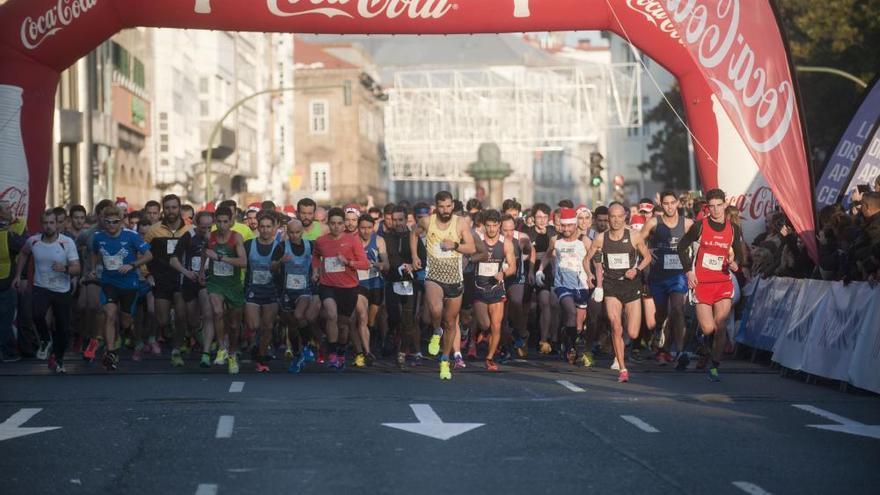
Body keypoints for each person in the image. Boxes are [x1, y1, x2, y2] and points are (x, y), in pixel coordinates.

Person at [676, 188, 745, 382]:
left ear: (724, 205)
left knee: (720, 325)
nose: (715, 210)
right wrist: (689, 271)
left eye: (718, 206)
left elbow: (739, 253)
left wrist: (735, 263)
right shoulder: (699, 226)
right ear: (708, 207)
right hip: (702, 283)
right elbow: (681, 247)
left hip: (723, 281)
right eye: (711, 206)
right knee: (708, 328)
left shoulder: (733, 229)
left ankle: (715, 365)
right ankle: (704, 345)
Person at [411, 191, 477, 380]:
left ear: (453, 206)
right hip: (434, 276)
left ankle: (445, 360)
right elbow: (414, 235)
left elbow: (471, 248)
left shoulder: (461, 223)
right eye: (442, 206)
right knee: (435, 309)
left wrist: (455, 245)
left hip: (455, 279)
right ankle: (435, 331)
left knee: (450, 322)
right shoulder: (427, 221)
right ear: (436, 206)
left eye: (449, 206)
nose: (445, 210)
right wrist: (415, 256)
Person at [586, 203, 651, 383]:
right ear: (608, 218)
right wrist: (590, 274)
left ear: (625, 217)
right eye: (612, 217)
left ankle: (622, 346)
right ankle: (622, 368)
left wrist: (636, 270)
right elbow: (587, 260)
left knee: (633, 332)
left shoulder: (634, 236)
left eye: (619, 216)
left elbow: (647, 257)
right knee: (615, 325)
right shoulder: (600, 238)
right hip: (611, 286)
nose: (615, 220)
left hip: (631, 286)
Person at [13, 210, 81, 373]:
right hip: (41, 286)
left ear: (57, 224)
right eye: (45, 223)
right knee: (36, 314)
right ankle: (45, 339)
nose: (49, 226)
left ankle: (57, 360)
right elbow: (23, 254)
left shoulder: (66, 243)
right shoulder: (33, 241)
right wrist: (18, 275)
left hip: (61, 289)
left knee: (63, 329)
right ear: (41, 224)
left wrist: (64, 268)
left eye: (52, 223)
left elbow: (77, 268)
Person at [89, 205, 153, 371]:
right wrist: (94, 268)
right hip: (109, 282)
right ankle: (111, 352)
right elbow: (94, 252)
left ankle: (126, 332)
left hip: (129, 283)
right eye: (108, 221)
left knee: (125, 321)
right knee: (110, 314)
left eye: (115, 221)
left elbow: (149, 255)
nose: (111, 225)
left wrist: (132, 265)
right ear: (103, 221)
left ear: (121, 221)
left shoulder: (131, 236)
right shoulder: (98, 237)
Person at [311, 207, 371, 371]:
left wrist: (348, 263)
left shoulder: (353, 241)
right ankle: (331, 353)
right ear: (328, 224)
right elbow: (316, 256)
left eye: (339, 223)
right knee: (331, 315)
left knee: (344, 326)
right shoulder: (321, 241)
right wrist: (316, 271)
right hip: (327, 285)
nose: (336, 226)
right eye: (333, 223)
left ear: (344, 224)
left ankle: (340, 352)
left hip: (348, 287)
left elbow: (365, 264)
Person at [642, 191, 693, 369]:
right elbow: (638, 242)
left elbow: (701, 242)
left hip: (678, 275)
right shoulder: (653, 223)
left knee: (678, 309)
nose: (670, 206)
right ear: (661, 204)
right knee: (662, 313)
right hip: (658, 277)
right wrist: (646, 256)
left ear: (678, 203)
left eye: (673, 203)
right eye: (666, 203)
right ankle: (658, 332)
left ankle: (680, 351)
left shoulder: (687, 224)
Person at [144, 194, 193, 367]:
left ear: (180, 209)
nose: (171, 211)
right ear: (163, 210)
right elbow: (143, 254)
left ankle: (176, 350)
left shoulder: (189, 230)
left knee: (181, 316)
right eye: (168, 208)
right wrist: (146, 274)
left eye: (174, 207)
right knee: (162, 321)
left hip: (180, 280)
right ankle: (168, 324)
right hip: (161, 280)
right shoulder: (153, 231)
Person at [542, 208, 593, 365]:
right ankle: (571, 348)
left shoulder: (584, 240)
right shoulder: (555, 240)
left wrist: (593, 277)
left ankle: (567, 338)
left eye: (569, 226)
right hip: (561, 285)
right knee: (570, 311)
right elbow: (546, 254)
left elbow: (595, 259)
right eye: (563, 226)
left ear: (575, 225)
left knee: (578, 324)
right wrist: (539, 270)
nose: (566, 229)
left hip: (581, 285)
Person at [200, 206, 248, 374]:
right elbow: (205, 253)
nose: (222, 225)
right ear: (215, 222)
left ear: (232, 222)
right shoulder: (210, 237)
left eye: (225, 222)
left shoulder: (237, 238)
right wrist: (201, 272)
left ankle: (232, 354)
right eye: (218, 222)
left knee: (234, 325)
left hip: (233, 286)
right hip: (215, 283)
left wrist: (220, 258)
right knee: (218, 312)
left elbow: (243, 262)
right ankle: (221, 348)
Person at [471, 209, 516, 371]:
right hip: (479, 288)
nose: (491, 229)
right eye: (488, 226)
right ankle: (482, 333)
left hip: (497, 288)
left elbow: (513, 267)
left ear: (499, 225)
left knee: (496, 325)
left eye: (494, 226)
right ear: (484, 226)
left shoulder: (506, 243)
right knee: (485, 324)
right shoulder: (477, 240)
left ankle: (490, 358)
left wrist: (503, 273)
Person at [170, 211, 214, 367]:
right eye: (203, 227)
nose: (206, 231)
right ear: (196, 223)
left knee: (208, 314)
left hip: (207, 282)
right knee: (187, 320)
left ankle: (206, 353)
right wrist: (186, 272)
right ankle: (179, 347)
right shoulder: (188, 236)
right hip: (188, 281)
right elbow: (173, 259)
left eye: (209, 227)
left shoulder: (215, 236)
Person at [243, 211, 284, 372]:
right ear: (258, 228)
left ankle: (261, 358)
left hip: (271, 291)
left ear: (274, 228)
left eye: (269, 227)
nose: (265, 230)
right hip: (252, 290)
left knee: (267, 327)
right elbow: (241, 263)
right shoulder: (249, 245)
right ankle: (253, 344)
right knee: (253, 325)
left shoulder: (279, 246)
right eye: (262, 227)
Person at [280, 219, 321, 374]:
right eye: (291, 232)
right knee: (293, 324)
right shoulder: (282, 246)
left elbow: (319, 261)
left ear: (302, 232)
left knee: (299, 315)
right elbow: (272, 267)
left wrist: (316, 273)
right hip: (286, 291)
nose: (295, 235)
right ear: (287, 232)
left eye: (298, 232)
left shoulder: (310, 245)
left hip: (304, 289)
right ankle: (299, 352)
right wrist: (280, 261)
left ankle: (307, 346)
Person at [383, 205, 419, 369]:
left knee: (408, 320)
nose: (397, 223)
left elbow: (422, 257)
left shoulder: (413, 236)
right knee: (393, 316)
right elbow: (389, 256)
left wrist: (414, 265)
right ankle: (391, 332)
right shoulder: (386, 237)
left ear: (406, 219)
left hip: (410, 282)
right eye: (394, 220)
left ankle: (402, 353)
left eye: (400, 220)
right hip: (392, 280)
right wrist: (401, 266)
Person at [354, 213, 387, 367]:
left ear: (373, 228)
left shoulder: (379, 240)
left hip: (376, 283)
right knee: (362, 316)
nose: (365, 231)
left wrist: (375, 264)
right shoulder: (353, 241)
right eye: (362, 228)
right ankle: (365, 352)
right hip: (359, 283)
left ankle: (370, 342)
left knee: (370, 321)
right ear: (358, 228)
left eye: (369, 228)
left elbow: (386, 265)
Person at [526, 203, 558, 354]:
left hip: (547, 272)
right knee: (528, 306)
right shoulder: (528, 233)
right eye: (538, 217)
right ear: (533, 218)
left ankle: (544, 340)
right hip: (528, 271)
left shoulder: (552, 232)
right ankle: (525, 336)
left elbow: (553, 253)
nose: (542, 220)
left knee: (546, 302)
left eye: (545, 217)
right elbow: (527, 254)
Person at [500, 214, 530, 357]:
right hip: (499, 279)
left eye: (511, 229)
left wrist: (527, 249)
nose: (509, 233)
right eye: (505, 230)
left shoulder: (521, 237)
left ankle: (521, 332)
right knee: (501, 315)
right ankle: (504, 346)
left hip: (517, 278)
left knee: (516, 302)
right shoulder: (495, 239)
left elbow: (530, 249)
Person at [0, 202, 26, 362]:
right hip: (8, 279)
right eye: (7, 208)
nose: (12, 210)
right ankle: (8, 352)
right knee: (6, 318)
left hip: (9, 277)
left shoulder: (15, 227)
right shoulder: (9, 233)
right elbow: (23, 245)